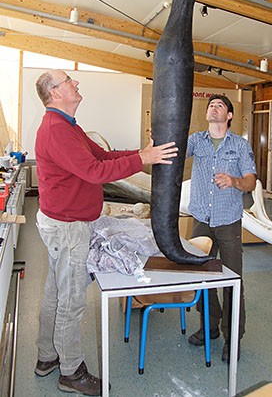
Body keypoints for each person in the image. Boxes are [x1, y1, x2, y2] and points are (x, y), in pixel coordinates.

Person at [34, 70, 178, 396]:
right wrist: (142, 158)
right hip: (68, 229)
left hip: (62, 223)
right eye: (69, 81)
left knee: (56, 293)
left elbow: (100, 156)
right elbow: (94, 171)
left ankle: (47, 357)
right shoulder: (57, 130)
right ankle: (70, 372)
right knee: (70, 302)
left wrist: (140, 156)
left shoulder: (68, 126)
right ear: (55, 93)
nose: (77, 83)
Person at [186, 94, 256, 363]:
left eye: (219, 105)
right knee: (201, 279)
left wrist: (234, 181)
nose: (213, 108)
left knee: (232, 282)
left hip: (228, 221)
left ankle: (233, 337)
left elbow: (250, 181)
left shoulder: (239, 145)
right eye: (210, 105)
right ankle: (209, 327)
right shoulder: (195, 140)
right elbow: (173, 152)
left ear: (229, 116)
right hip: (202, 219)